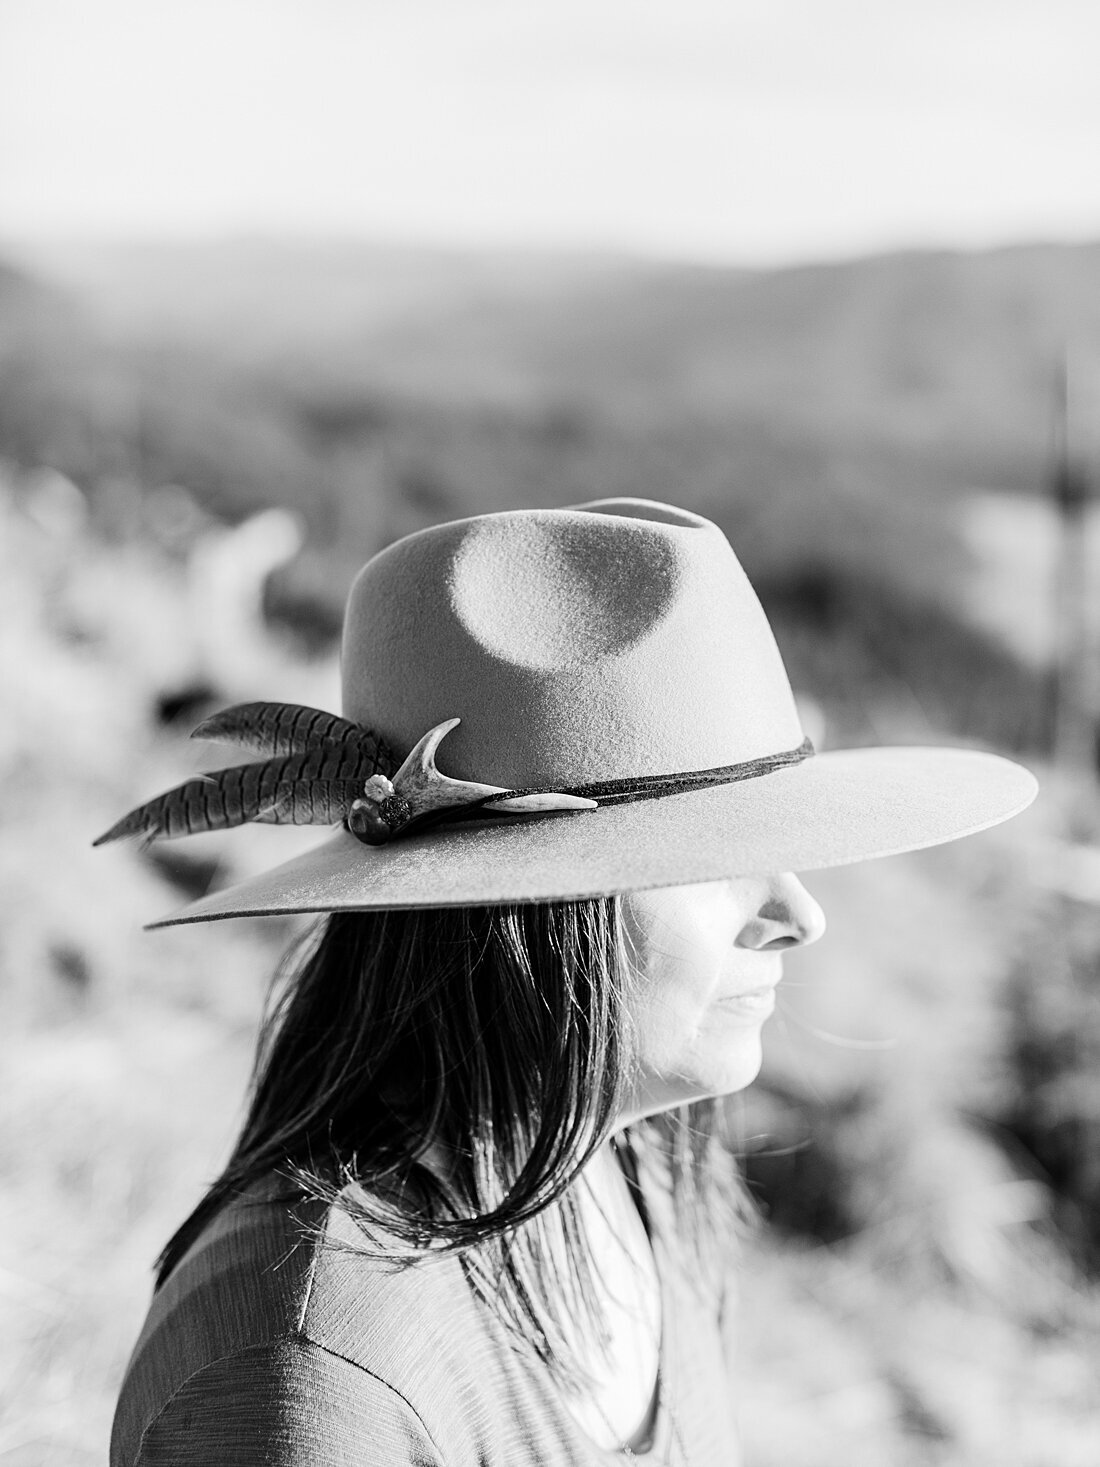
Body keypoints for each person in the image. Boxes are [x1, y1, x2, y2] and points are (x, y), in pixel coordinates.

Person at [100, 498, 1037, 1465]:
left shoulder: (625, 1177)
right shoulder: (308, 1385)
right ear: (523, 909)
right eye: (719, 856)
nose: (801, 915)